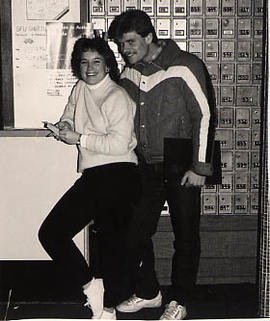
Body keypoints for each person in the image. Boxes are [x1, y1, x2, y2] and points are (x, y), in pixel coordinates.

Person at [108, 9, 216, 320]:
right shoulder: (129, 73)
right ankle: (149, 292)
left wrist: (200, 167)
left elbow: (205, 116)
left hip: (182, 164)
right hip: (144, 166)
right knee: (134, 233)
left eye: (130, 42)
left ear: (149, 37)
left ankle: (179, 300)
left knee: (186, 235)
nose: (124, 50)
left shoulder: (186, 65)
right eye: (120, 45)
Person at [38, 37, 140, 320]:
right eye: (84, 62)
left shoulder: (116, 96)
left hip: (121, 174)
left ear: (108, 65)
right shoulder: (80, 88)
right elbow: (69, 116)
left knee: (111, 245)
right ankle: (91, 285)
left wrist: (80, 138)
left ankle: (108, 311)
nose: (90, 67)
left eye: (96, 61)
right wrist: (64, 126)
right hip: (95, 175)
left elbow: (119, 145)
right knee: (51, 233)